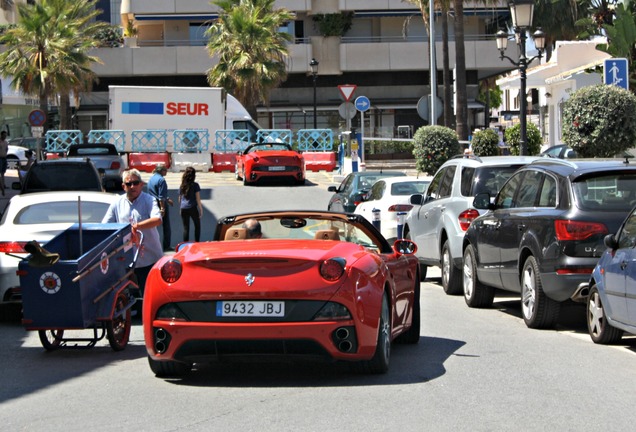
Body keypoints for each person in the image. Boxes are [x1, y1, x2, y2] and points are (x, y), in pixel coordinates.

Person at [102, 169, 163, 299]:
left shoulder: (149, 200)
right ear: (123, 186)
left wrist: (136, 226)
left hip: (149, 258)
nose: (132, 187)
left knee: (151, 293)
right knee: (129, 293)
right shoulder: (117, 203)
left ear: (141, 184)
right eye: (129, 184)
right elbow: (105, 226)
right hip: (126, 258)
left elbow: (157, 220)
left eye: (135, 183)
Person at [147, 164, 173, 251]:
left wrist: (168, 199)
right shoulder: (161, 180)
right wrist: (163, 208)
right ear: (162, 171)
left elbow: (156, 192)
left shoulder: (151, 179)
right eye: (165, 170)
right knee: (166, 226)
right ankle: (166, 246)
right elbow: (161, 196)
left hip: (151, 203)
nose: (166, 172)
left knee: (152, 225)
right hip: (160, 204)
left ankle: (151, 245)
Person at [179, 166, 203, 242]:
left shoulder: (182, 185)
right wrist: (200, 209)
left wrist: (181, 207)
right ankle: (197, 242)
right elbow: (198, 199)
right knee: (197, 225)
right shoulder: (195, 185)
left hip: (183, 208)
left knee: (186, 228)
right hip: (192, 207)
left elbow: (179, 199)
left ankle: (185, 244)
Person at [0, 130, 8, 196]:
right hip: (0, 158)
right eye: (4, 135)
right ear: (1, 135)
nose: (5, 136)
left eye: (6, 135)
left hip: (4, 158)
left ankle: (3, 184)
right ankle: (1, 186)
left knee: (3, 172)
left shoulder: (6, 142)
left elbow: (6, 149)